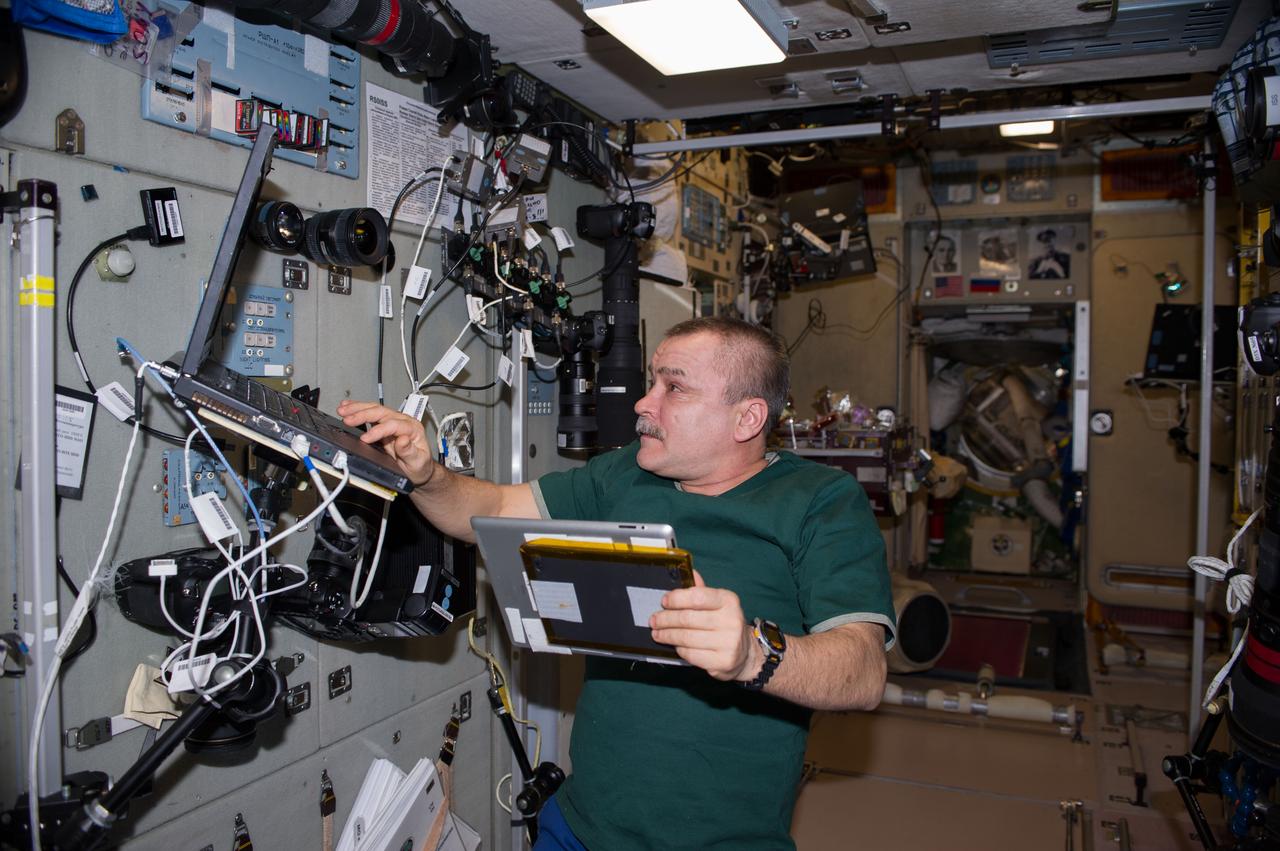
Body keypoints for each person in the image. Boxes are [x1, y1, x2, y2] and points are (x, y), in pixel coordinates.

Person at [337, 316, 895, 851]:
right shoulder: (626, 471)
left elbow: (863, 671)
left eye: (673, 389)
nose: (643, 403)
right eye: (653, 381)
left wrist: (753, 655)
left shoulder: (820, 501)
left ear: (747, 419)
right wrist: (427, 475)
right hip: (580, 825)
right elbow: (493, 509)